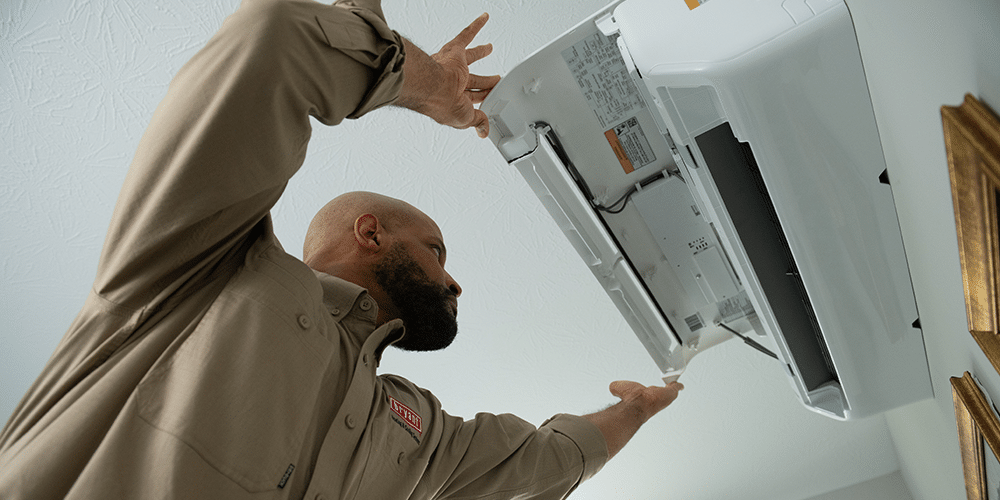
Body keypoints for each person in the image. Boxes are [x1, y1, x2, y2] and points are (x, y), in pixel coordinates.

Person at [0, 0, 683, 498]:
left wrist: (635, 410)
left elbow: (542, 461)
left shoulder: (415, 433)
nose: (455, 283)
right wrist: (428, 85)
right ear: (370, 232)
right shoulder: (203, 267)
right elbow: (274, 42)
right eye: (437, 250)